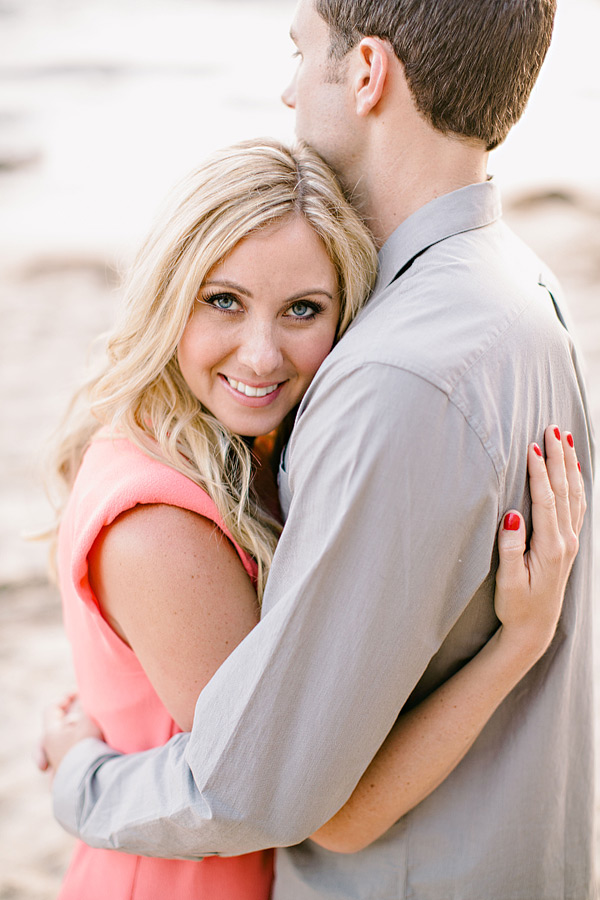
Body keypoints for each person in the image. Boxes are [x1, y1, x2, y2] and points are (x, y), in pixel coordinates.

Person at [43, 1, 596, 898]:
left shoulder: (395, 377)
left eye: (300, 51)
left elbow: (271, 791)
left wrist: (80, 776)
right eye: (222, 300)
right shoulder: (521, 291)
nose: (290, 88)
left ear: (368, 71)